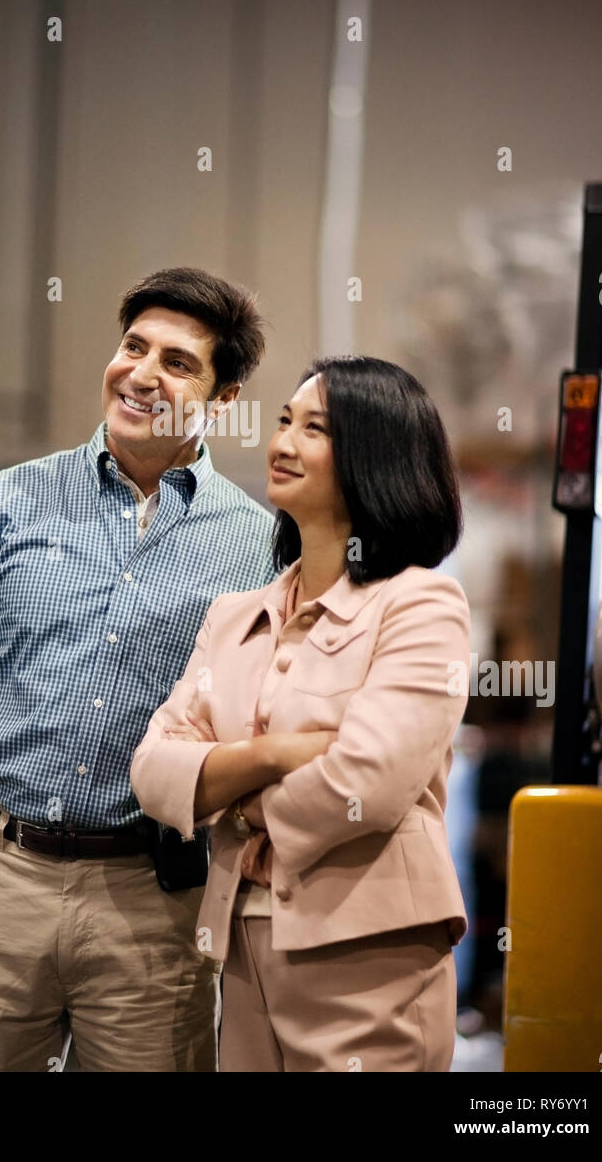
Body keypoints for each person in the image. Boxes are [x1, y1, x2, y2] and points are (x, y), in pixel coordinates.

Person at [0, 267, 276, 1072]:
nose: (141, 374)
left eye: (178, 363)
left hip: (152, 902)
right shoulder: (1, 504)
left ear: (224, 399)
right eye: (134, 346)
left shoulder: (257, 549)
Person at [131, 355, 471, 1072]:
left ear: (376, 458)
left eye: (315, 429)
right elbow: (155, 770)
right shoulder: (234, 616)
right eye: (285, 421)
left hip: (370, 956)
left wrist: (232, 802)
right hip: (242, 951)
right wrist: (274, 756)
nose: (282, 442)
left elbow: (366, 782)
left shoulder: (420, 604)